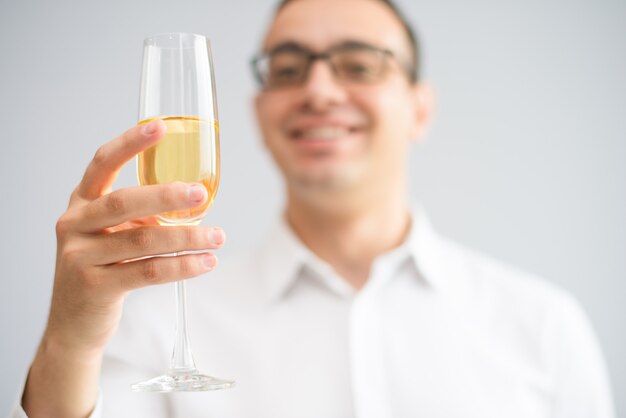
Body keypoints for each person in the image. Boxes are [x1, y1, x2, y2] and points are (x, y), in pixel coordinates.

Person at [12, 0, 615, 417]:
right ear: (258, 113)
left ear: (420, 109)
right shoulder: (148, 323)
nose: (320, 91)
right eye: (289, 69)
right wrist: (71, 339)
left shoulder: (543, 327)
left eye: (359, 64)